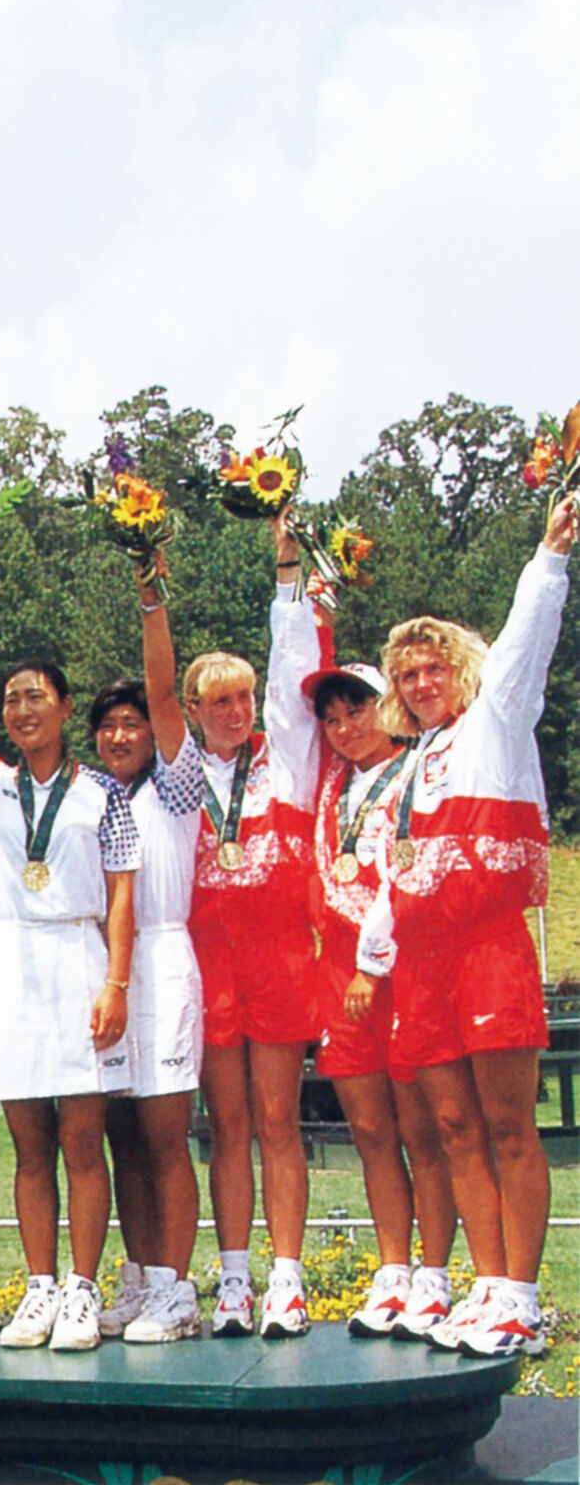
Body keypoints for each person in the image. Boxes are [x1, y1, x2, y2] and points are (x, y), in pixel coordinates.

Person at [357, 496, 575, 1357]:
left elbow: (526, 641)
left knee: (509, 1124)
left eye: (432, 669)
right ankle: (487, 1286)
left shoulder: (497, 719)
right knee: (450, 1129)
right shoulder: (410, 765)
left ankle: (522, 1292)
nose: (419, 686)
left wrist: (550, 557)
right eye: (406, 677)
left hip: (488, 948)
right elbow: (393, 876)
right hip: (423, 963)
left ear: (461, 668)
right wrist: (374, 961)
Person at [0, 561, 140, 1352]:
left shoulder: (104, 795)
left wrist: (116, 982)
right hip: (10, 965)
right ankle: (41, 1287)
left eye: (36, 697)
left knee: (83, 1143)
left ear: (63, 708)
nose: (21, 710)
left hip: (80, 961)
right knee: (29, 1146)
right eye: (11, 698)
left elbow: (123, 895)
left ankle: (84, 1291)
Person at [179, 512, 321, 1337]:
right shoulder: (182, 771)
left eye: (243, 699)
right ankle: (233, 1279)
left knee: (278, 1122)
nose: (237, 711)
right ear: (196, 710)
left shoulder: (285, 757)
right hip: (207, 968)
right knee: (225, 1126)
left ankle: (289, 1280)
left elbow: (292, 663)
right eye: (219, 701)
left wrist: (287, 571)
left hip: (276, 964)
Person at [299, 657, 455, 1339]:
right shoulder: (330, 783)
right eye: (330, 719)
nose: (342, 728)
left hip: (402, 969)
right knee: (369, 1131)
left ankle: (435, 1270)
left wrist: (375, 962)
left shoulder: (416, 769)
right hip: (339, 976)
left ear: (384, 706)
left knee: (423, 1129)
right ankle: (392, 1267)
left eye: (355, 711)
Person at [89, 672, 203, 1343]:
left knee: (164, 1138)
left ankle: (176, 1288)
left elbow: (164, 693)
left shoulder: (177, 789)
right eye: (108, 727)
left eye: (132, 724)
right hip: (104, 970)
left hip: (160, 966)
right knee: (122, 1138)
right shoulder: (92, 796)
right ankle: (139, 1278)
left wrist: (149, 593)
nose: (121, 736)